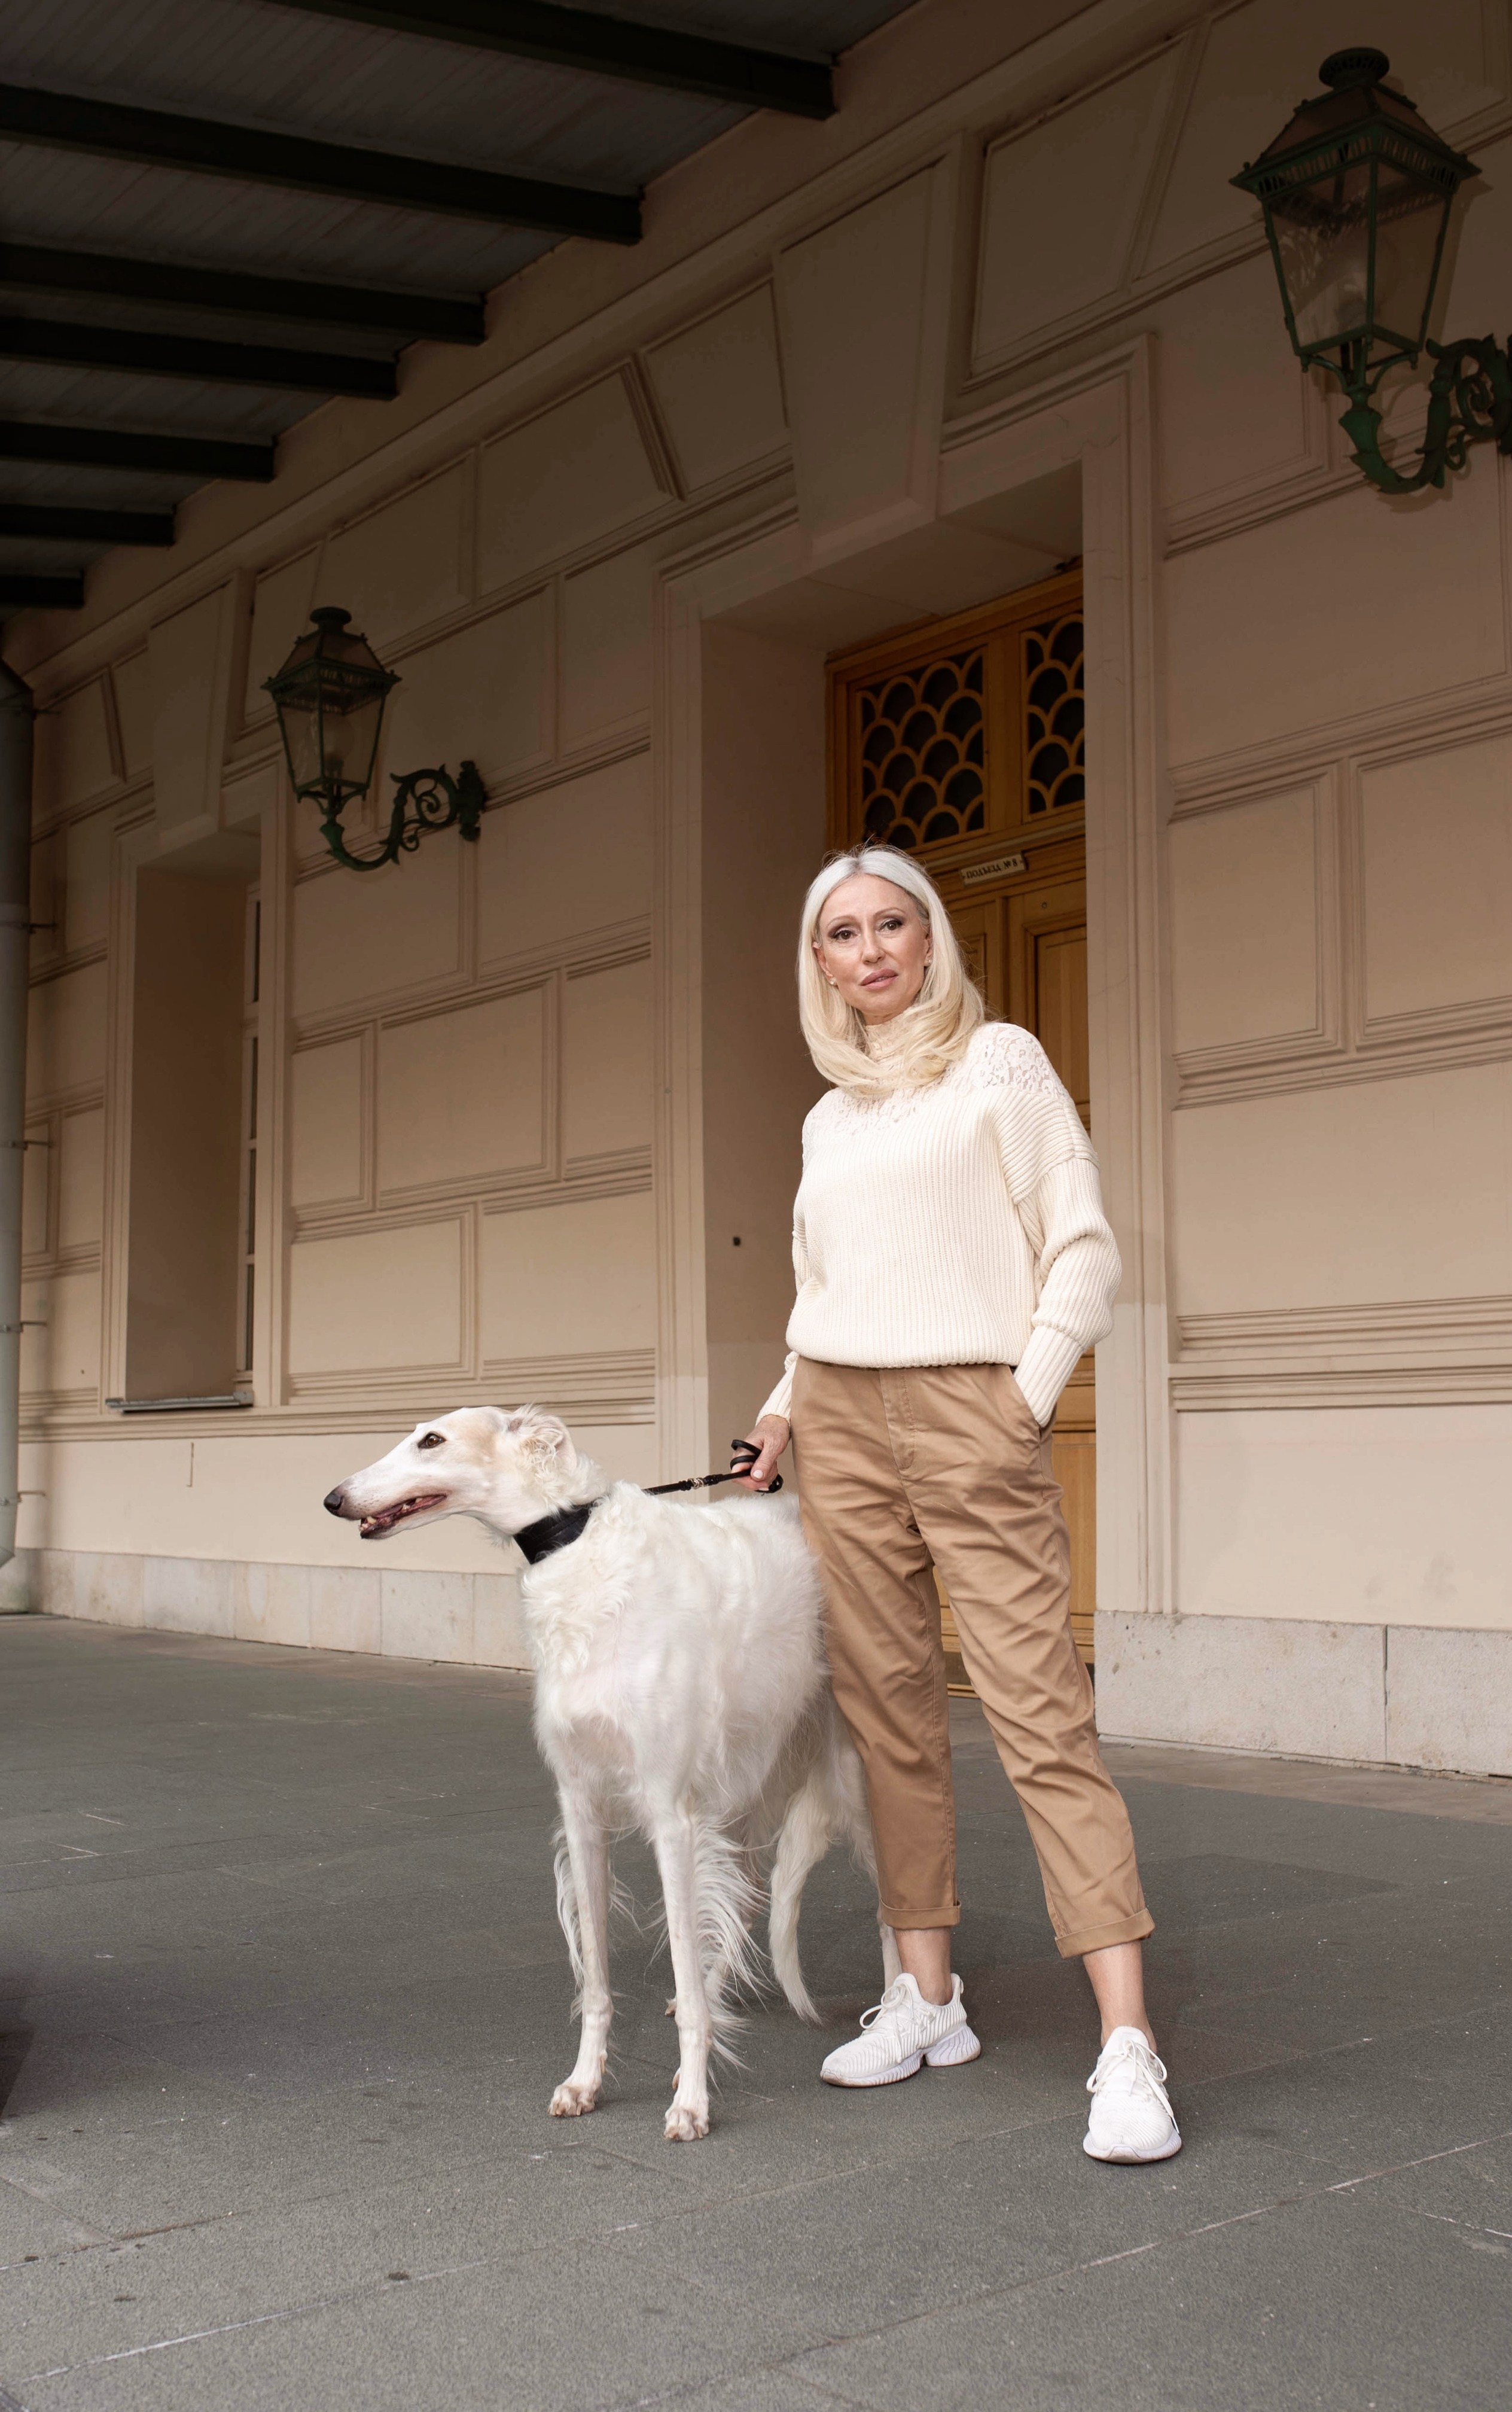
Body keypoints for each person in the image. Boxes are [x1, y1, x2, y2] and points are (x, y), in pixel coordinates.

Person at [736, 845, 1179, 2164]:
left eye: (893, 925)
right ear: (817, 965)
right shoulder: (827, 1117)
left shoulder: (1001, 1063)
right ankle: (928, 1997)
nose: (870, 951)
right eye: (842, 934)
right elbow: (828, 1292)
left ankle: (1126, 2044)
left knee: (1041, 1717)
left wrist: (1025, 1394)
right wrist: (777, 1408)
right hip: (839, 1424)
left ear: (930, 941)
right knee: (889, 1726)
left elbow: (1083, 1245)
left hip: (969, 1415)